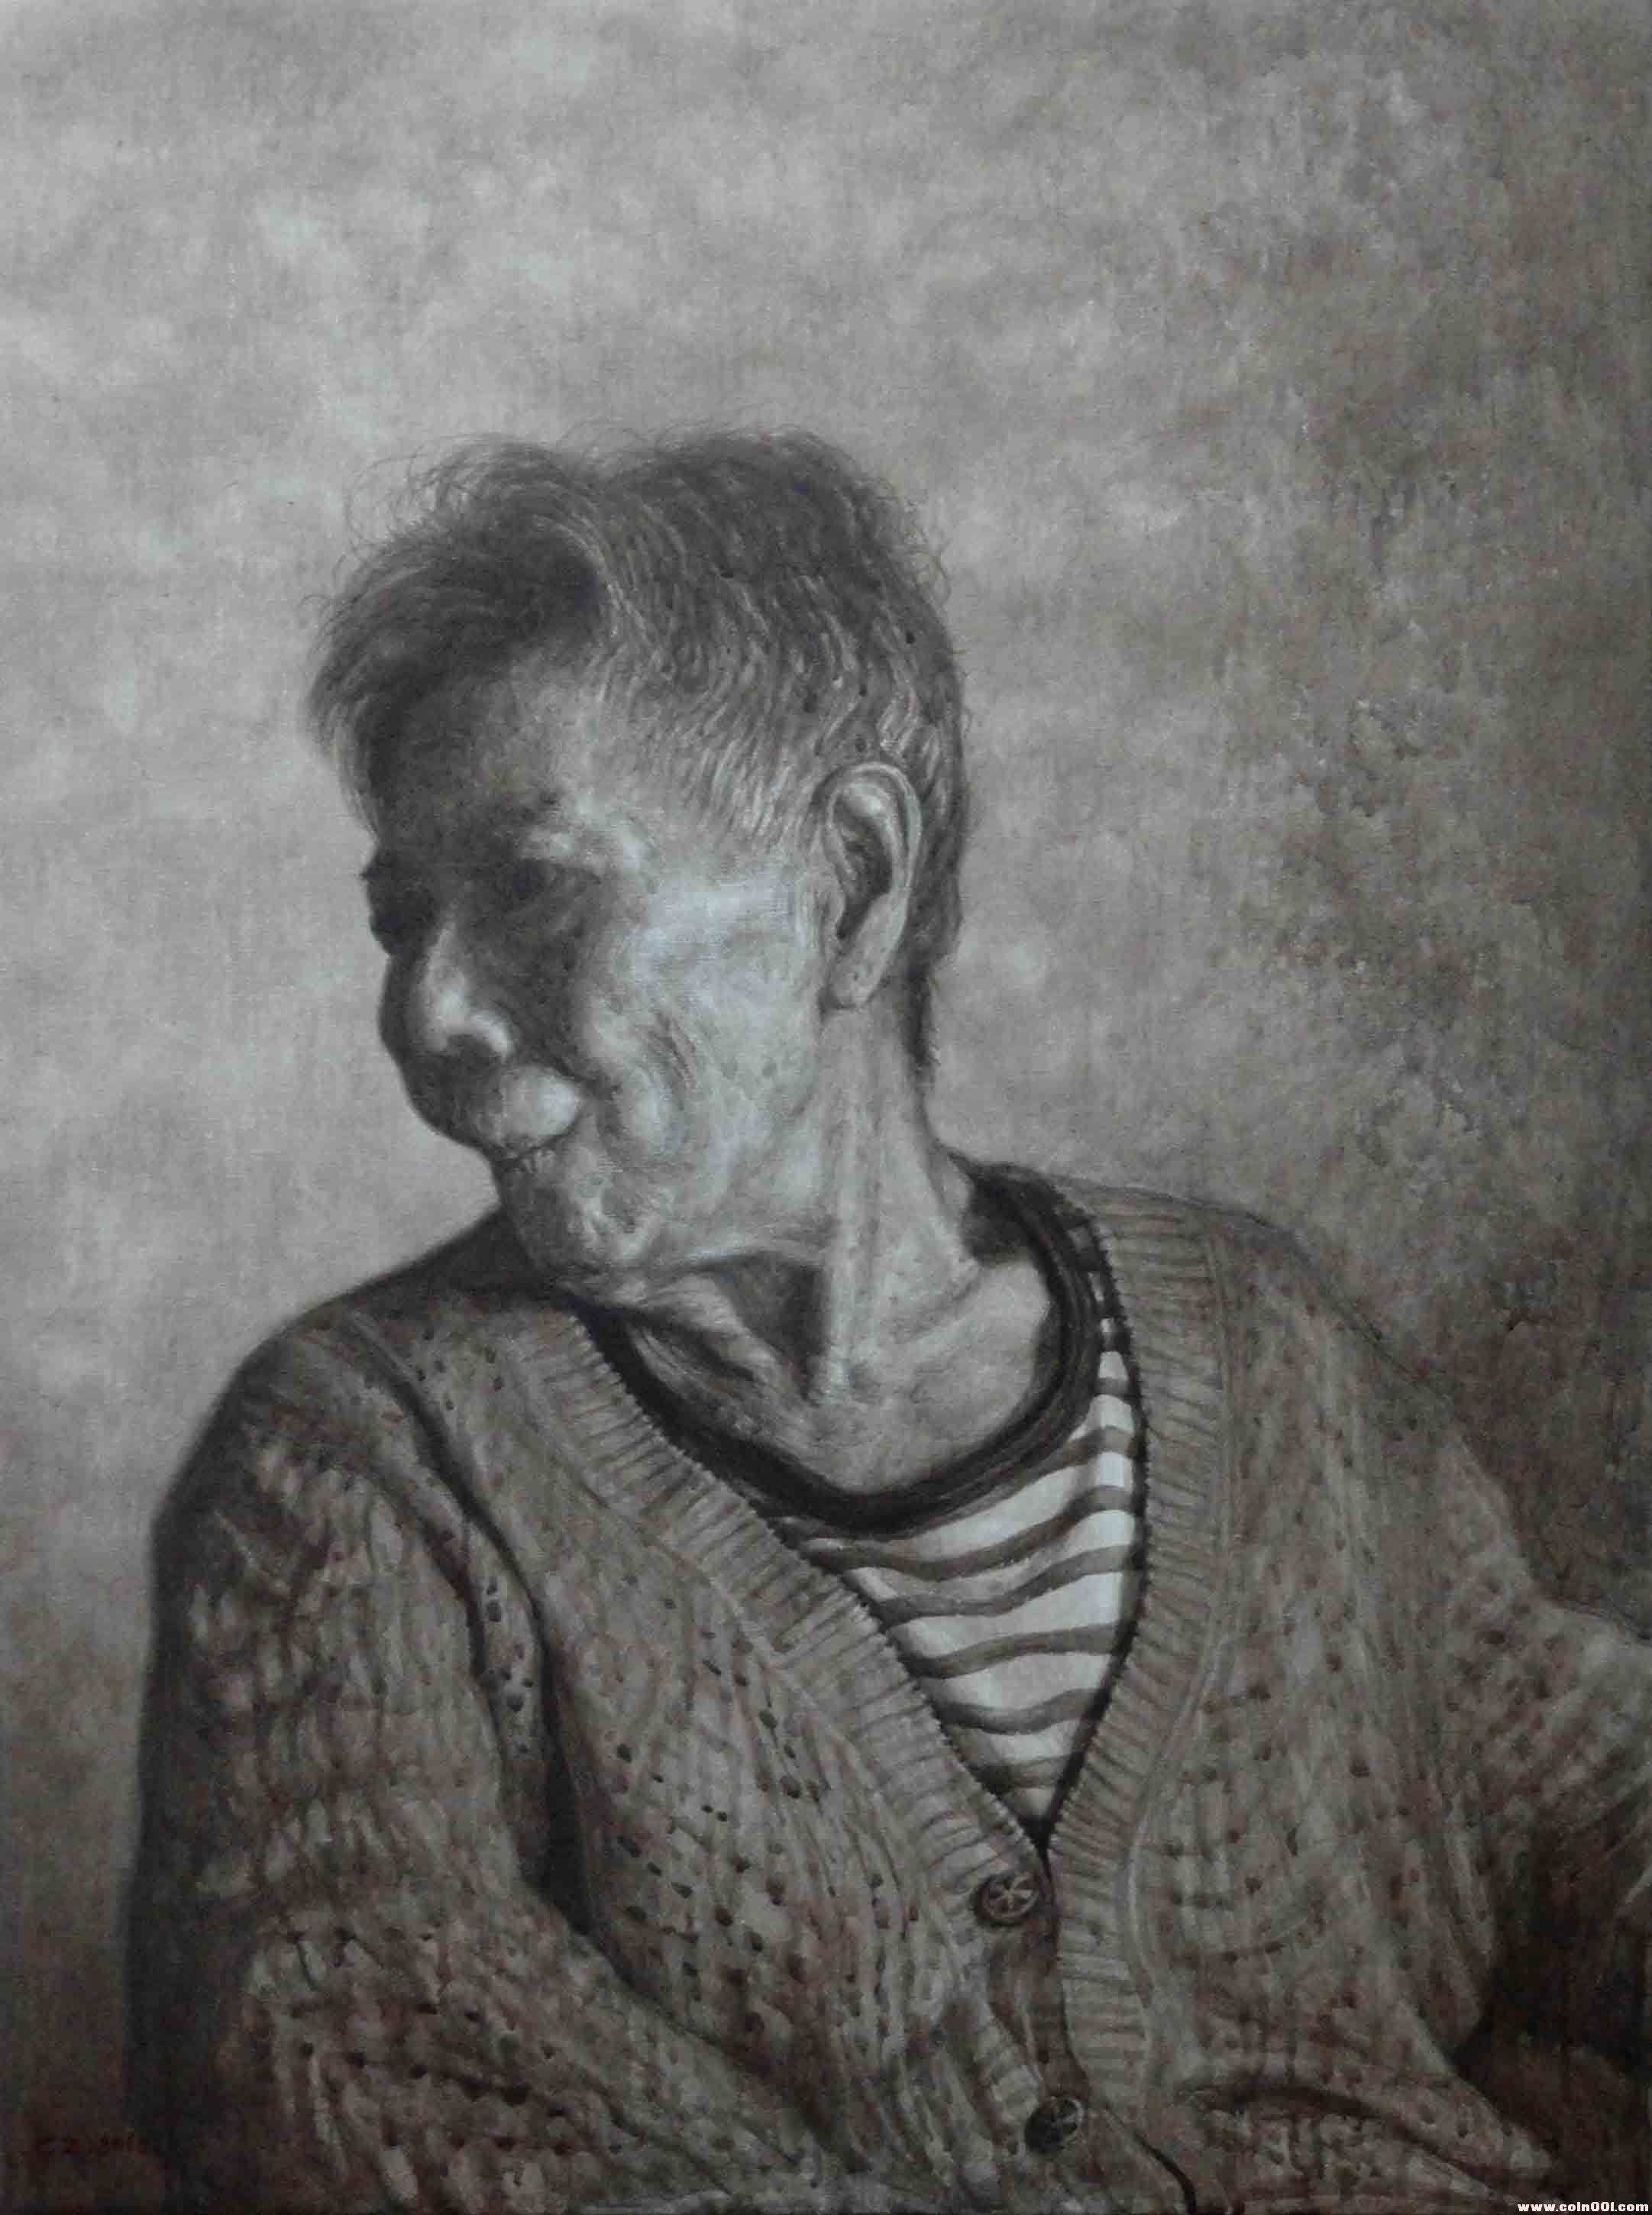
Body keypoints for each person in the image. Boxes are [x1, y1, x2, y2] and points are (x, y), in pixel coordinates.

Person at [129, 432, 1652, 2213]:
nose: (425, 1014)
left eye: (533, 885)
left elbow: (1586, 1807)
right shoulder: (361, 1457)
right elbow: (344, 2040)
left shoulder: (1257, 1342)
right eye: (404, 920)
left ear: (850, 879)